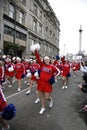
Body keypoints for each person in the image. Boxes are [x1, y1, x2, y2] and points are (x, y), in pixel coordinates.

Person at [30, 44, 60, 114]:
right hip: (41, 82)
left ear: (49, 60)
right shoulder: (42, 65)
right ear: (43, 60)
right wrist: (36, 51)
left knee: (47, 97)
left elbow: (58, 72)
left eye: (47, 59)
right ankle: (43, 108)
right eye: (45, 59)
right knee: (41, 96)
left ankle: (51, 100)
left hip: (47, 84)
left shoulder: (52, 67)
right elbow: (38, 58)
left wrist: (53, 78)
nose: (46, 60)